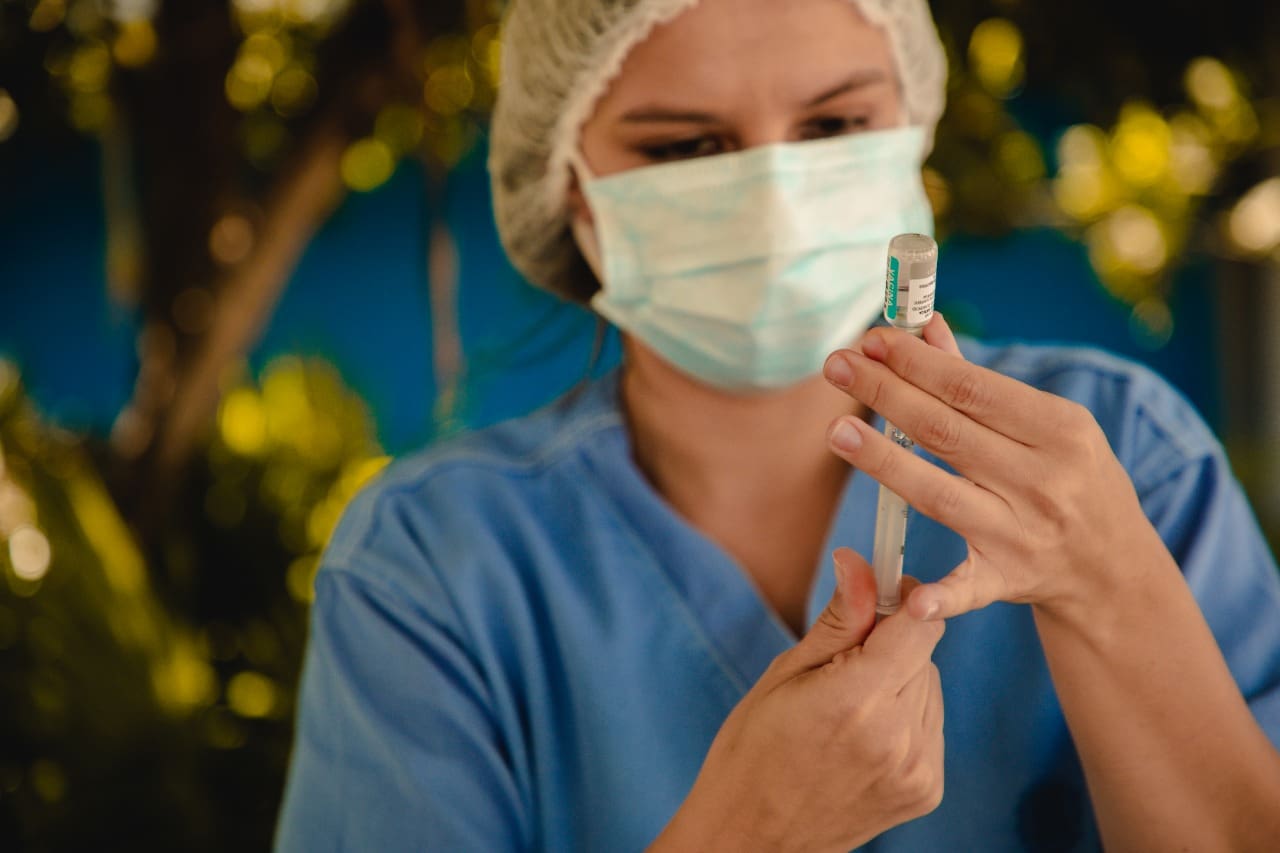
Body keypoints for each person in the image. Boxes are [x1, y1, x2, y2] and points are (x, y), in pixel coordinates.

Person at [274, 0, 1280, 849]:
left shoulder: (1124, 456)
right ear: (565, 187)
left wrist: (1110, 587)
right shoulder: (430, 563)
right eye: (684, 147)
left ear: (910, 126)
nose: (771, 199)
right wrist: (742, 829)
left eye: (834, 127)